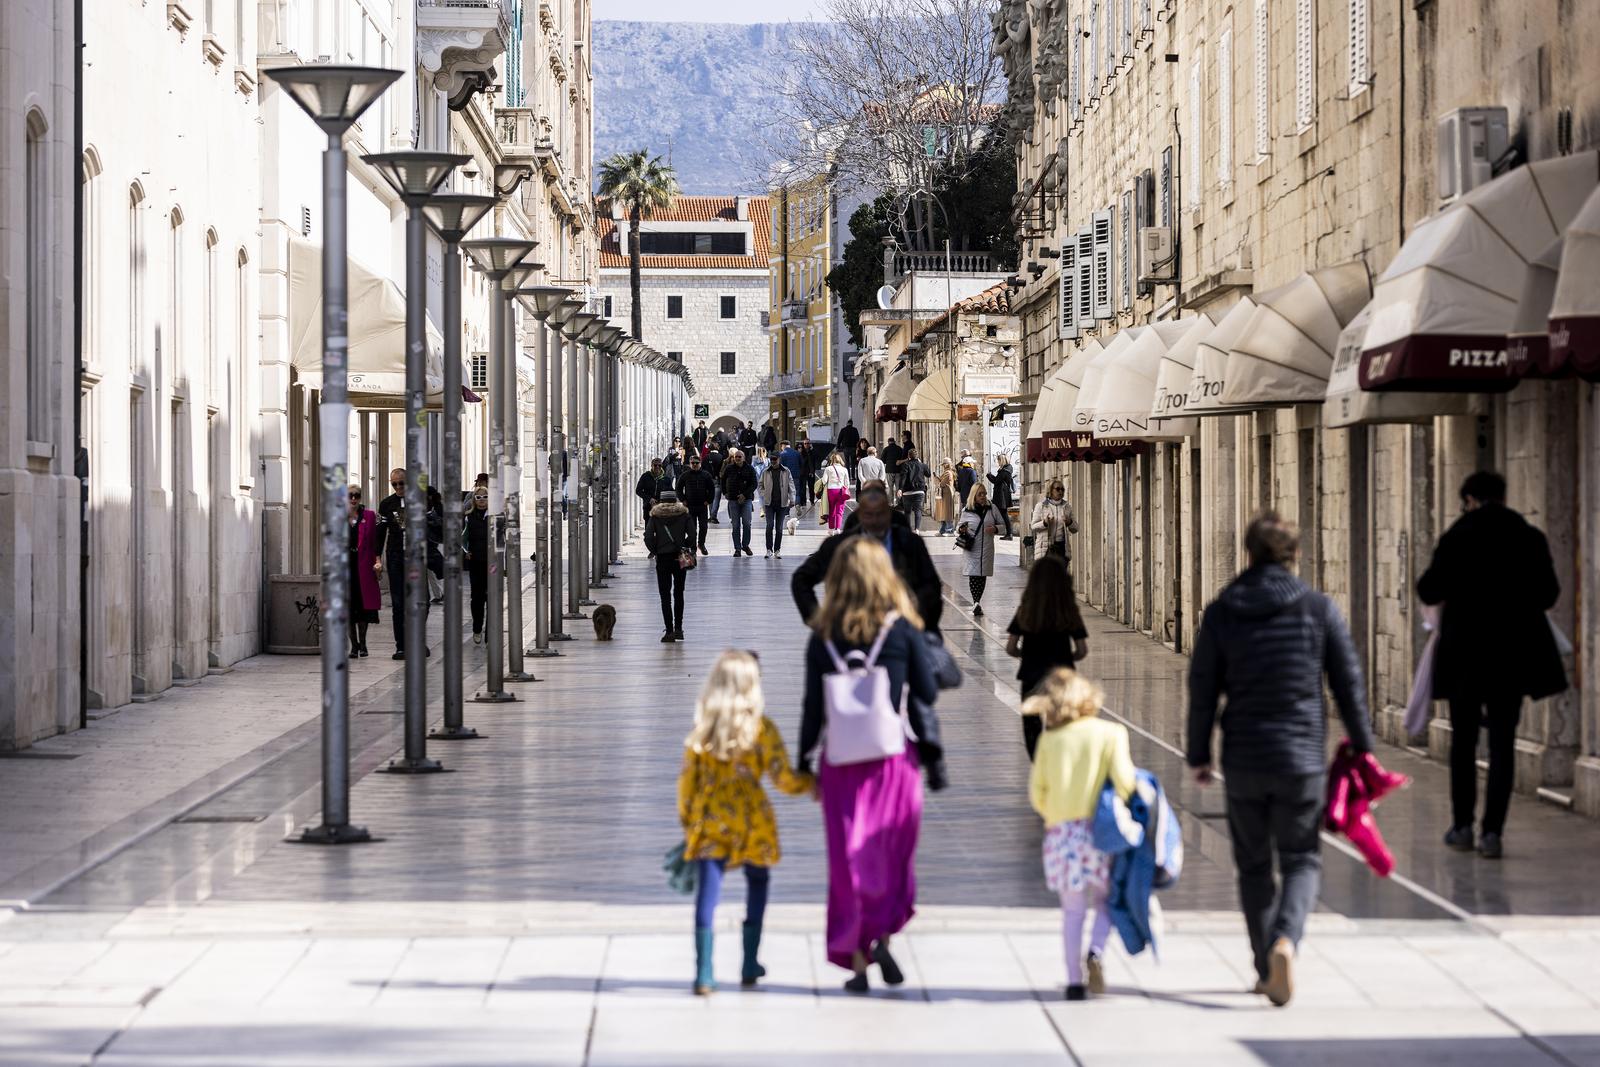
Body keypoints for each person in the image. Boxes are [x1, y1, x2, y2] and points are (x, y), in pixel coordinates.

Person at [1187, 513, 1374, 1008]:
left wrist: (1199, 754)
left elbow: (1203, 687)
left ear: (1248, 553)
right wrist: (1363, 747)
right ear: (1294, 555)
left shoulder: (1223, 610)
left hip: (1245, 756)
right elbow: (1347, 684)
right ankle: (1287, 941)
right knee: (1301, 858)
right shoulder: (1318, 609)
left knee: (1252, 866)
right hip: (1301, 758)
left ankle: (1264, 962)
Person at [799, 538, 938, 993]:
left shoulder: (822, 636)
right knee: (890, 856)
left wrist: (803, 762)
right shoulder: (901, 630)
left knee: (848, 864)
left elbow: (813, 708)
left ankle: (859, 960)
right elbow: (926, 693)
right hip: (893, 762)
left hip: (842, 764)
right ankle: (881, 932)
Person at [1417, 471, 1565, 859]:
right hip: (1512, 656)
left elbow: (1429, 588)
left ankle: (1462, 825)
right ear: (1502, 496)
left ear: (1469, 499)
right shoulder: (1528, 537)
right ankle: (1492, 833)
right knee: (1503, 743)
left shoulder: (1457, 537)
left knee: (1463, 742)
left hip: (1464, 655)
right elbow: (1549, 594)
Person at [679, 650, 814, 995]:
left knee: (708, 892)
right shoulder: (761, 728)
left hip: (712, 818)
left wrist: (689, 823)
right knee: (758, 879)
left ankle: (704, 971)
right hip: (753, 818)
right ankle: (750, 961)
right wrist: (812, 785)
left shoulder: (703, 730)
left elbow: (687, 784)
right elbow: (782, 777)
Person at [1025, 668, 1136, 1001]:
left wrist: (1054, 815)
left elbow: (1037, 793)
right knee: (1105, 902)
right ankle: (1097, 951)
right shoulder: (1111, 733)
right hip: (1100, 834)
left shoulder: (1049, 739)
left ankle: (1074, 981)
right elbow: (1126, 783)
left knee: (1072, 911)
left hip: (1062, 834)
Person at [793, 483, 944, 632]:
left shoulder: (909, 544)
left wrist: (922, 622)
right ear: (860, 515)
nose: (875, 521)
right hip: (855, 628)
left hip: (901, 627)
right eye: (869, 514)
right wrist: (817, 618)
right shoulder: (841, 546)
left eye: (880, 514)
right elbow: (802, 578)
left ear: (888, 513)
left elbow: (931, 585)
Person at [1007, 555, 1090, 758]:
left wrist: (1025, 656)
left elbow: (1010, 647)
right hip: (1061, 676)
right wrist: (1065, 658)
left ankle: (1039, 766)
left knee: (1032, 729)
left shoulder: (1025, 610)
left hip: (1031, 675)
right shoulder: (1069, 611)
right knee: (1060, 725)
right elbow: (1081, 651)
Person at [374, 468, 426, 659]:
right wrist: (377, 558)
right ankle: (401, 645)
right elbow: (379, 533)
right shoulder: (387, 504)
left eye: (401, 483)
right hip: (395, 556)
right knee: (398, 603)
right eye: (393, 484)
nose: (398, 487)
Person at [644, 488, 693, 642]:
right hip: (680, 558)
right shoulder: (684, 515)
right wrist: (685, 547)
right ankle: (679, 629)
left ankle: (669, 631)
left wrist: (656, 550)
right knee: (679, 593)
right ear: (675, 500)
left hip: (663, 558)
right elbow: (692, 535)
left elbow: (648, 537)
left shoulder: (655, 516)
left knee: (665, 596)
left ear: (661, 501)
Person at [346, 485, 381, 659]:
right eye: (350, 496)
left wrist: (377, 561)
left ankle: (364, 644)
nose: (353, 499)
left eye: (356, 496)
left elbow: (375, 541)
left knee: (363, 606)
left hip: (364, 566)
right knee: (348, 608)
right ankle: (353, 646)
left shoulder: (369, 516)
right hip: (346, 567)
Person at [958, 482, 1002, 617]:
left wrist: (995, 529)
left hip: (987, 548)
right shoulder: (966, 510)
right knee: (973, 575)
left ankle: (977, 602)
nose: (983, 497)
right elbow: (959, 527)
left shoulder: (992, 508)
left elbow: (1004, 525)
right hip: (972, 548)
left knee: (982, 575)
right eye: (980, 494)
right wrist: (962, 529)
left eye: (984, 494)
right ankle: (976, 602)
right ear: (974, 496)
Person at [462, 486, 491, 643]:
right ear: (474, 500)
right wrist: (466, 551)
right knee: (477, 598)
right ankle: (477, 627)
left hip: (492, 563)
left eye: (485, 497)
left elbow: (502, 540)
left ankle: (490, 633)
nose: (482, 500)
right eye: (478, 497)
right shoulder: (469, 517)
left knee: (492, 598)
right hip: (476, 562)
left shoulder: (495, 517)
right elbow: (463, 538)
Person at [721, 449, 758, 557]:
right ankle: (737, 548)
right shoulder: (729, 468)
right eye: (736, 457)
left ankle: (745, 545)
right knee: (735, 525)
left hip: (746, 500)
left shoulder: (750, 468)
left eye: (739, 457)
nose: (737, 458)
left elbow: (754, 484)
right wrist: (725, 493)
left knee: (747, 523)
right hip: (733, 499)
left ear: (744, 458)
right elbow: (723, 481)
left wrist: (745, 495)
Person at [676, 453, 715, 555]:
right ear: (690, 464)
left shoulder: (706, 475)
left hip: (702, 505)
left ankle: (701, 544)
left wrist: (708, 500)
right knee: (692, 528)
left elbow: (711, 489)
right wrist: (683, 499)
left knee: (704, 527)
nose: (695, 465)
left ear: (700, 463)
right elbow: (678, 488)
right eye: (693, 463)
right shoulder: (685, 475)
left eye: (697, 463)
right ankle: (693, 547)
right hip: (690, 506)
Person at [760, 454, 797, 559]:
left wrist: (792, 499)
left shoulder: (786, 471)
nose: (773, 461)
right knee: (769, 526)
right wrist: (765, 493)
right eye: (771, 459)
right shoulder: (766, 471)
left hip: (782, 504)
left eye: (775, 459)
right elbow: (760, 485)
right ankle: (768, 549)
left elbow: (791, 486)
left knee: (779, 528)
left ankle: (777, 550)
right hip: (769, 504)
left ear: (779, 459)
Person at [1032, 478, 1078, 559]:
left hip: (1061, 548)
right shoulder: (1041, 506)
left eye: (1062, 489)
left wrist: (1069, 522)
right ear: (1051, 490)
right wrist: (1044, 523)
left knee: (1060, 571)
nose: (1060, 492)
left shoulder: (1067, 507)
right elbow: (1033, 526)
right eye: (1057, 489)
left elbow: (1075, 529)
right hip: (1046, 548)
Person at [897, 446, 930, 531]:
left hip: (907, 492)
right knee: (917, 511)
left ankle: (908, 529)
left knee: (907, 512)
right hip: (919, 491)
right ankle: (917, 529)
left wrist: (900, 489)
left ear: (909, 456)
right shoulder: (922, 465)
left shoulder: (905, 465)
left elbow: (903, 477)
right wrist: (922, 465)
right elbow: (928, 474)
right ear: (917, 456)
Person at [424, 487, 447, 603]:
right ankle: (438, 594)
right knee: (431, 571)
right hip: (432, 542)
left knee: (438, 569)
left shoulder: (437, 508)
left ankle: (442, 594)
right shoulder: (432, 507)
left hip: (437, 542)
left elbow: (440, 524)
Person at [820, 451, 852, 530]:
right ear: (840, 460)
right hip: (841, 491)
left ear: (831, 460)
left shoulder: (828, 469)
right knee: (839, 511)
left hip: (831, 491)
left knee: (831, 510)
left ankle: (831, 529)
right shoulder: (844, 469)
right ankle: (837, 528)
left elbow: (824, 480)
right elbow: (847, 483)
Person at [987, 456, 1017, 539]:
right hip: (1002, 495)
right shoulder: (1005, 470)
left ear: (1002, 460)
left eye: (998, 460)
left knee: (1004, 515)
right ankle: (1007, 533)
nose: (998, 462)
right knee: (1002, 514)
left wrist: (989, 475)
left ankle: (1009, 533)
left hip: (1002, 496)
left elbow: (996, 481)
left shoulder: (1005, 471)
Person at [636, 458, 667, 524]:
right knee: (649, 531)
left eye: (659, 465)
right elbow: (638, 490)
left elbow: (670, 492)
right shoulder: (645, 476)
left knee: (660, 531)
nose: (657, 467)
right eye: (655, 465)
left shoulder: (666, 478)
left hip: (661, 508)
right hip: (648, 507)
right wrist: (649, 499)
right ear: (651, 465)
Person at [933, 459, 959, 535]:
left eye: (944, 464)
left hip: (947, 494)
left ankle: (950, 530)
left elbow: (942, 484)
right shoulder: (946, 472)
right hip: (944, 494)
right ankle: (942, 530)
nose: (943, 466)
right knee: (943, 512)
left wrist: (937, 481)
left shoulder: (948, 473)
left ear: (947, 464)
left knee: (947, 512)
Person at [703, 442, 725, 523]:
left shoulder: (706, 457)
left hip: (708, 480)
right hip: (717, 480)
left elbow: (702, 469)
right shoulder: (721, 457)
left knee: (710, 498)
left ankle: (711, 515)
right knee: (716, 499)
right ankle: (713, 515)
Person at [751, 447, 770, 517]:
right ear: (765, 453)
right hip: (767, 480)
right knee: (767, 495)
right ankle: (766, 509)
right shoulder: (767, 460)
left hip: (758, 480)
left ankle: (762, 509)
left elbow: (752, 470)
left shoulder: (754, 461)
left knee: (760, 496)